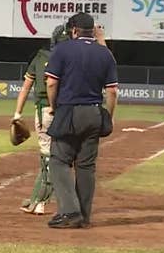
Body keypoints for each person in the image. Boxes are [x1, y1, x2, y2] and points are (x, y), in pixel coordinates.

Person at [13, 23, 108, 215]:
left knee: (50, 158)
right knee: (65, 159)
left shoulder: (41, 57)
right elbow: (104, 60)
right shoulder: (76, 57)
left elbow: (28, 87)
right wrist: (100, 38)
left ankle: (40, 200)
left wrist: (17, 114)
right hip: (69, 112)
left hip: (46, 111)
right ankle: (44, 199)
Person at [44, 12, 118, 229]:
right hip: (94, 112)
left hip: (69, 111)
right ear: (93, 30)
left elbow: (50, 83)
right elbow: (112, 91)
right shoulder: (105, 54)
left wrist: (54, 106)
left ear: (74, 30)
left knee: (59, 161)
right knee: (86, 167)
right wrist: (108, 116)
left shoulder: (63, 49)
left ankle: (69, 211)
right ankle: (84, 216)